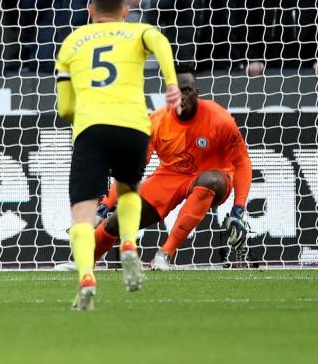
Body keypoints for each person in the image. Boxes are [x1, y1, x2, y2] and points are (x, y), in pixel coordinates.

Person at [55, 0, 180, 310]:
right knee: (128, 190)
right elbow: (160, 41)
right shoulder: (138, 31)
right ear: (126, 10)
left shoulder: (72, 41)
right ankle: (128, 243)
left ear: (90, 9)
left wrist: (79, 110)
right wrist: (171, 83)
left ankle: (86, 276)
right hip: (133, 126)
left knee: (82, 216)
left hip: (91, 128)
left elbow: (65, 108)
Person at [93, 73, 252, 269]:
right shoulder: (156, 121)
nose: (182, 97)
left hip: (217, 175)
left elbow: (242, 162)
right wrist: (105, 206)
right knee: (117, 221)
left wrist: (238, 209)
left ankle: (164, 254)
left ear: (197, 93)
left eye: (187, 91)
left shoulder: (219, 119)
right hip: (171, 175)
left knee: (210, 179)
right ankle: (83, 260)